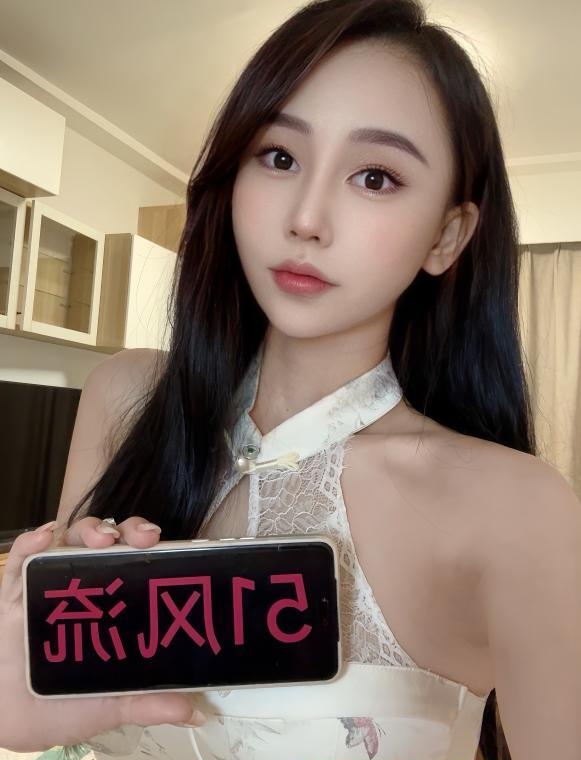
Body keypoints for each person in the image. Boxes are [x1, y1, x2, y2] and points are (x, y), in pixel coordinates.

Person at [2, 0, 580, 757]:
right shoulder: (124, 397)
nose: (306, 218)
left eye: (375, 177)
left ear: (446, 235)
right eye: (279, 157)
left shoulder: (516, 508)